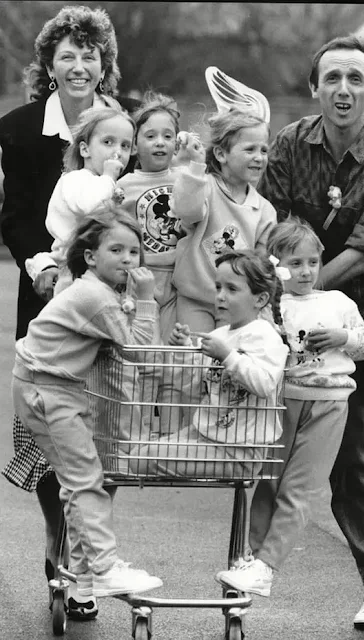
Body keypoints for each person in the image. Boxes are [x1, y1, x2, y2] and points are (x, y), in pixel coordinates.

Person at [254, 35, 364, 634]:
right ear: (315, 89)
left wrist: (299, 300)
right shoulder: (289, 145)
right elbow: (272, 231)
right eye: (332, 78)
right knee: (345, 442)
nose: (344, 89)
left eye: (356, 78)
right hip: (313, 296)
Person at [0, 4, 140, 620]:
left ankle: (86, 562)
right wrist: (45, 269)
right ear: (49, 65)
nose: (80, 65)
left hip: (114, 292)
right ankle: (58, 545)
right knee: (50, 430)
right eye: (68, 55)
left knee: (99, 431)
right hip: (50, 294)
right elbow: (17, 215)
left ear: (103, 64)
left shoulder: (127, 126)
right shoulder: (18, 129)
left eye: (90, 54)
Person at [215, 217, 364, 598]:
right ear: (277, 267)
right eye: (295, 263)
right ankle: (252, 558)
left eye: (313, 262)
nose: (306, 271)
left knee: (299, 489)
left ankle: (266, 565)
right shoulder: (272, 309)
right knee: (269, 481)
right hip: (282, 403)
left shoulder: (337, 302)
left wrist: (342, 337)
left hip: (329, 406)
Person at [11, 210, 163, 599]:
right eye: (116, 250)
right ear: (91, 256)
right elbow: (141, 352)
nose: (128, 259)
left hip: (55, 387)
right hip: (46, 390)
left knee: (78, 481)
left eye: (134, 251)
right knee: (85, 480)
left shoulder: (101, 291)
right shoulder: (97, 297)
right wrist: (146, 299)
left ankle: (83, 571)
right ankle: (105, 567)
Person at [131, 250, 288, 478]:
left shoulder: (265, 335)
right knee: (137, 452)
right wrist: (184, 350)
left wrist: (227, 356)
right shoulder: (219, 335)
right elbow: (195, 389)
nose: (221, 296)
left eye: (232, 289)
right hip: (205, 433)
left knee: (141, 459)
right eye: (218, 287)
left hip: (239, 450)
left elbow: (264, 384)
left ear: (260, 299)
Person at [170, 108, 277, 333]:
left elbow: (262, 265)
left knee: (227, 353)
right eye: (250, 149)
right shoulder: (203, 186)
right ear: (221, 154)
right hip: (195, 299)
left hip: (236, 307)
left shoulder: (265, 211)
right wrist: (196, 167)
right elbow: (186, 211)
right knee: (194, 352)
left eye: (264, 150)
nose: (259, 157)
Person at [26, 103, 136, 293]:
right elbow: (89, 205)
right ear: (85, 150)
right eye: (108, 142)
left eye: (125, 145)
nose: (117, 152)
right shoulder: (75, 179)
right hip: (74, 270)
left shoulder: (107, 184)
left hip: (99, 269)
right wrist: (109, 177)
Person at [119, 90, 199, 343]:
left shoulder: (185, 178)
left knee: (174, 345)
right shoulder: (124, 185)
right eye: (150, 136)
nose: (160, 142)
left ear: (177, 143)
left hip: (179, 278)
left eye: (167, 136)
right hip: (140, 278)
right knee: (144, 344)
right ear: (134, 145)